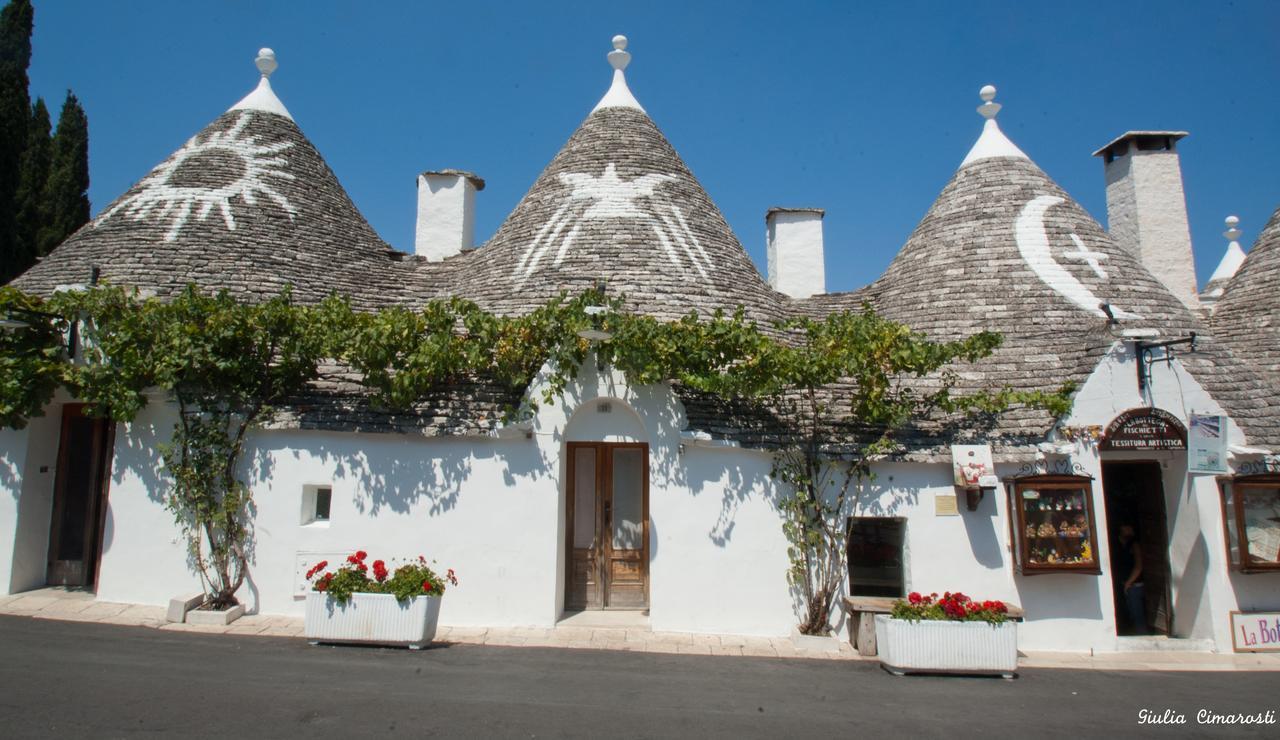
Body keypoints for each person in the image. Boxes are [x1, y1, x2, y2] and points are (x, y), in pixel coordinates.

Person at [1114, 523, 1146, 634]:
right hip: (1128, 584)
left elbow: (1138, 566)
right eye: (1125, 527)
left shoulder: (1134, 545)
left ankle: (1142, 635)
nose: (1128, 529)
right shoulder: (1124, 545)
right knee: (1132, 613)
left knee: (1137, 615)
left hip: (1135, 585)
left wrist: (1128, 583)